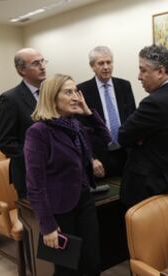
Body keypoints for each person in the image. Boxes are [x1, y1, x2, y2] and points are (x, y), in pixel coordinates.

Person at [24, 74, 110, 276]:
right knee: (67, 269)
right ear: (53, 97)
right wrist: (47, 226)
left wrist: (88, 112)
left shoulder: (75, 125)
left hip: (84, 201)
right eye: (68, 92)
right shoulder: (38, 132)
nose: (76, 97)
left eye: (76, 92)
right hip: (59, 209)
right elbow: (35, 185)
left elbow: (106, 138)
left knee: (91, 262)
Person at [118, 45, 168, 208]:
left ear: (160, 71)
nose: (139, 77)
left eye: (143, 70)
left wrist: (141, 138)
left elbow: (123, 136)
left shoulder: (155, 102)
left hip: (152, 189)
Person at [77, 46, 136, 178]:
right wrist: (91, 158)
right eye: (101, 63)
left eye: (109, 62)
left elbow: (133, 118)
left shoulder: (125, 86)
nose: (106, 67)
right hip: (100, 158)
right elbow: (82, 129)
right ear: (92, 66)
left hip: (126, 153)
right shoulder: (82, 90)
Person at [0, 48, 47, 198]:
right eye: (36, 63)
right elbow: (5, 142)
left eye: (43, 61)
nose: (43, 66)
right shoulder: (10, 99)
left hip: (56, 173)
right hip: (29, 174)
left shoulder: (52, 93)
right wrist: (36, 157)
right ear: (22, 70)